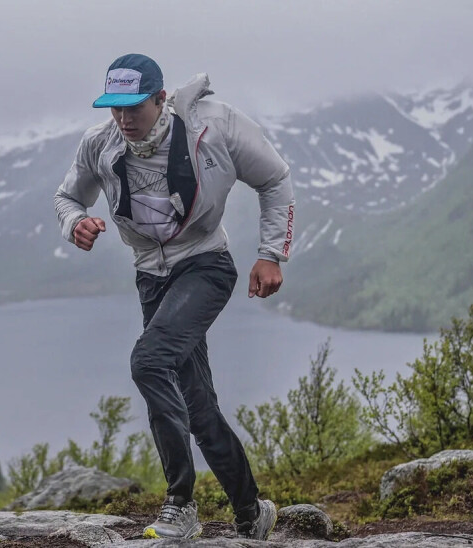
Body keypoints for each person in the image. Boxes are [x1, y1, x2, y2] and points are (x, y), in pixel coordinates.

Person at [53, 53, 295, 540]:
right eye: (114, 109)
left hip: (205, 265)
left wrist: (272, 253)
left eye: (134, 108)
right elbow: (67, 197)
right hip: (151, 277)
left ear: (161, 99)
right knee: (198, 407)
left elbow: (275, 179)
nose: (123, 120)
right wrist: (74, 223)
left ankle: (180, 504)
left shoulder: (215, 125)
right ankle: (252, 511)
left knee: (149, 361)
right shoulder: (99, 144)